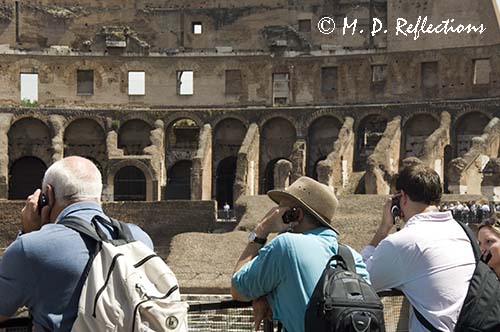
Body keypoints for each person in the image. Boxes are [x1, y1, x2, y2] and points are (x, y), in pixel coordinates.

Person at [0, 156, 153, 331]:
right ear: (99, 194)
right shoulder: (139, 239)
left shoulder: (30, 248)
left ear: (48, 196)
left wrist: (28, 234)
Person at [231, 176, 369, 332]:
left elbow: (238, 289)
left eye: (281, 208)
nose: (274, 212)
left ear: (295, 214)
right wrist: (269, 298)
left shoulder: (286, 246)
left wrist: (262, 229)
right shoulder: (353, 257)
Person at [361, 164, 475, 332]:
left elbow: (361, 282)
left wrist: (383, 229)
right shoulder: (463, 232)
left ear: (403, 197)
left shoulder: (403, 242)